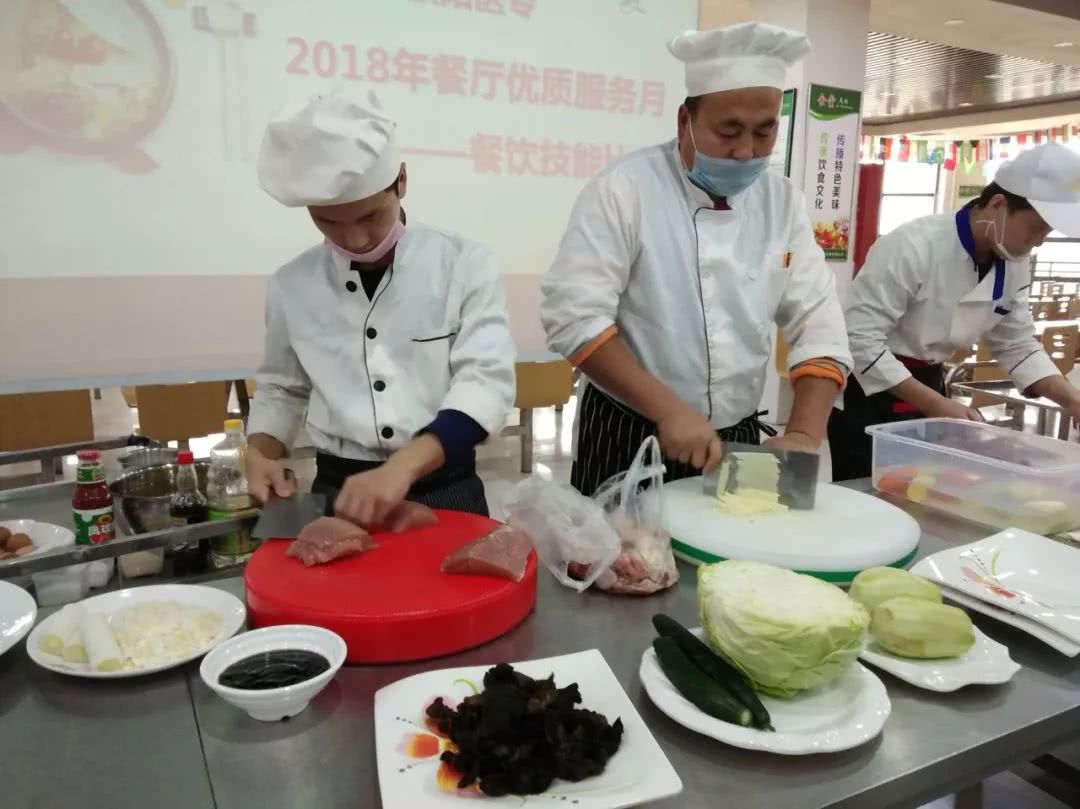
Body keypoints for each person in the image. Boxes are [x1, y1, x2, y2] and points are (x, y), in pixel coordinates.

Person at [541, 22, 852, 496]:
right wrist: (668, 409)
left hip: (740, 437)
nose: (747, 151)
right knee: (624, 564)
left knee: (736, 563)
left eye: (764, 131)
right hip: (630, 431)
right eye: (728, 131)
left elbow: (817, 319)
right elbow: (573, 318)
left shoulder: (781, 200)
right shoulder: (625, 190)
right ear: (684, 121)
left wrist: (807, 433)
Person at [245, 92, 516, 523]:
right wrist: (259, 451)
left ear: (402, 180)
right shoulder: (292, 284)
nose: (354, 240)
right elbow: (282, 386)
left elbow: (487, 385)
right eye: (329, 222)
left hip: (445, 483)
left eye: (371, 216)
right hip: (340, 490)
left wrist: (403, 467)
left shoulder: (462, 263)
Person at [829, 142, 1080, 481]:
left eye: (1047, 233)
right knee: (867, 491)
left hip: (930, 381)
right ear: (998, 205)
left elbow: (1017, 342)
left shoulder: (1013, 261)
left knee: (926, 488)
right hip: (869, 391)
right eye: (1036, 228)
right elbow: (859, 339)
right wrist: (935, 405)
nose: (1039, 242)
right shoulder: (913, 246)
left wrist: (1071, 398)